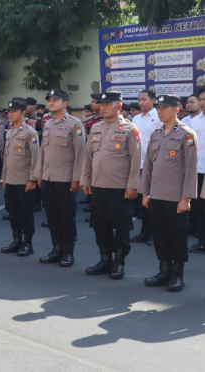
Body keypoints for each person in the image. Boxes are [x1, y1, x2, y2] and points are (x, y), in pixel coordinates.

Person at [140, 94, 198, 292]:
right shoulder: (156, 134)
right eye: (159, 108)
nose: (160, 110)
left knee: (177, 236)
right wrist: (145, 192)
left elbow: (191, 169)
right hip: (156, 194)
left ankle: (177, 274)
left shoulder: (186, 134)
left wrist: (186, 198)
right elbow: (148, 166)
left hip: (176, 197)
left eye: (164, 108)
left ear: (176, 109)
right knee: (160, 235)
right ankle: (163, 271)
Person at [81, 92, 141, 279]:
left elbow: (135, 159)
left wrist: (133, 186)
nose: (103, 107)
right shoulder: (96, 127)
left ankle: (119, 261)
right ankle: (105, 258)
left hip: (119, 188)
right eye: (102, 104)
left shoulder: (129, 129)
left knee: (121, 226)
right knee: (100, 224)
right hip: (98, 185)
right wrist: (86, 179)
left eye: (108, 104)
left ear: (119, 106)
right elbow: (88, 156)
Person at [31, 88, 85, 267]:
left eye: (55, 100)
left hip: (66, 179)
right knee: (52, 215)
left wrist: (77, 178)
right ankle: (56, 248)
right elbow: (43, 152)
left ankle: (68, 251)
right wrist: (39, 175)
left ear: (65, 103)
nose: (51, 102)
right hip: (48, 178)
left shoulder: (74, 124)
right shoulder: (48, 124)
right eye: (49, 100)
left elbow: (80, 154)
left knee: (66, 216)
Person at [1, 98, 39, 256]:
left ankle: (28, 243)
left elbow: (35, 158)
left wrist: (32, 179)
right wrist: (3, 178)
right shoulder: (9, 131)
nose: (10, 114)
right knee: (13, 211)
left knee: (26, 213)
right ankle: (16, 239)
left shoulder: (30, 132)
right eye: (9, 111)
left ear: (23, 113)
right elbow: (6, 158)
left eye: (14, 111)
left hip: (24, 180)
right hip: (10, 179)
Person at [131, 89, 160, 243]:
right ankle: (144, 232)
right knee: (143, 202)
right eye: (139, 99)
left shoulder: (159, 117)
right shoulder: (135, 119)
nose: (141, 102)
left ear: (153, 100)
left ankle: (156, 234)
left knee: (154, 201)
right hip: (139, 165)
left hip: (155, 165)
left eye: (144, 99)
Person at [188, 87, 205, 253]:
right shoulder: (194, 121)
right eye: (201, 99)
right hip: (197, 171)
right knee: (198, 207)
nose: (202, 103)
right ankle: (202, 240)